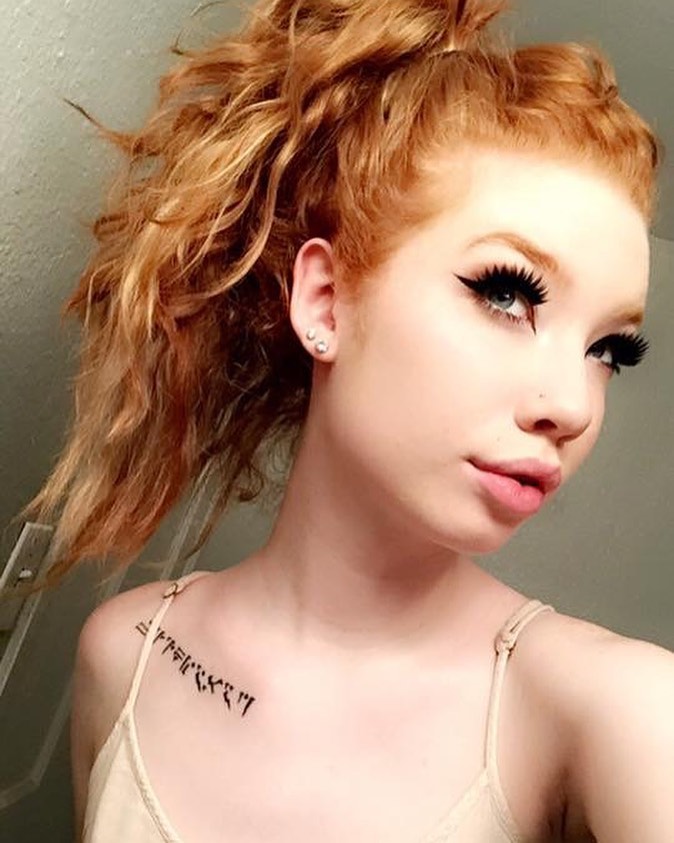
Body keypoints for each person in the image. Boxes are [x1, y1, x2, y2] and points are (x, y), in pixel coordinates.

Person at [17, 0, 674, 840]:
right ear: (325, 300)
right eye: (507, 294)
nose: (574, 406)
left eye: (609, 349)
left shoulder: (614, 715)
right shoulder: (124, 654)